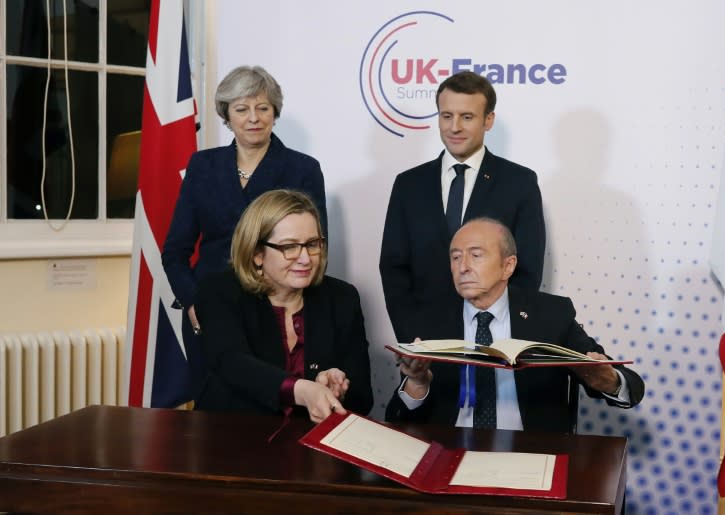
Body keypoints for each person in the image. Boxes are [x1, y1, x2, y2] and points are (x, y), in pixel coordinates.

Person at [162, 65, 327, 403]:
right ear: (227, 114)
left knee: (266, 411)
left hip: (274, 314)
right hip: (208, 312)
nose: (253, 118)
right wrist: (194, 302)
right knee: (211, 417)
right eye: (242, 109)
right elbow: (175, 252)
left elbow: (314, 249)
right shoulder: (202, 166)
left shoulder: (303, 169)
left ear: (274, 113)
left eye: (262, 108)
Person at [385, 218, 644, 433]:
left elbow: (630, 386)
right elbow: (397, 421)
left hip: (531, 453)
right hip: (449, 452)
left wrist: (608, 380)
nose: (463, 267)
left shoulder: (550, 315)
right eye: (455, 257)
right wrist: (417, 384)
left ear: (508, 266)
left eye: (475, 255)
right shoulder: (430, 318)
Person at [380, 71, 546, 344]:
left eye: (466, 117)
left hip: (493, 340)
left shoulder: (519, 182)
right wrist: (412, 337)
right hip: (426, 342)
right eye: (446, 116)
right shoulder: (408, 184)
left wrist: (503, 335)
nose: (454, 127)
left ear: (488, 120)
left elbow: (527, 269)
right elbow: (393, 267)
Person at [193, 190, 372, 422]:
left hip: (310, 447)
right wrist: (302, 390)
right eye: (289, 247)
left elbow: (364, 399)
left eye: (312, 244)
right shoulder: (218, 291)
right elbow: (232, 363)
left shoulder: (342, 297)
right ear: (257, 253)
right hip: (231, 438)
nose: (306, 258)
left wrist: (338, 388)